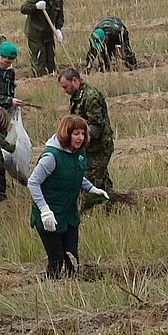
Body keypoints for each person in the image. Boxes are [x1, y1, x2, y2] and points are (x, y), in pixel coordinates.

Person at [29, 114, 111, 278]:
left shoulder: (78, 152)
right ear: (66, 134)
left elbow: (75, 174)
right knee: (57, 262)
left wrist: (92, 189)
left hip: (68, 213)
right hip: (50, 216)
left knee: (72, 259)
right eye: (76, 134)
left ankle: (72, 290)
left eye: (82, 133)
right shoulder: (51, 157)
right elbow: (33, 182)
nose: (80, 138)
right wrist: (45, 210)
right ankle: (50, 291)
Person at [58, 66, 114, 198]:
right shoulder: (77, 95)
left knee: (92, 182)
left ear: (75, 80)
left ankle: (101, 206)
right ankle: (110, 202)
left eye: (66, 87)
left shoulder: (90, 97)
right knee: (100, 180)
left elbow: (96, 126)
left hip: (99, 148)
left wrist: (79, 141)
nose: (64, 90)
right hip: (89, 147)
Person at [20, 0, 64, 77]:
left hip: (48, 33)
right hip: (35, 33)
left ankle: (52, 77)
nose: (53, 0)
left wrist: (58, 29)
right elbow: (23, 9)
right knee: (40, 58)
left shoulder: (58, 1)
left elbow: (60, 16)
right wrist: (35, 7)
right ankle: (40, 79)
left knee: (50, 57)